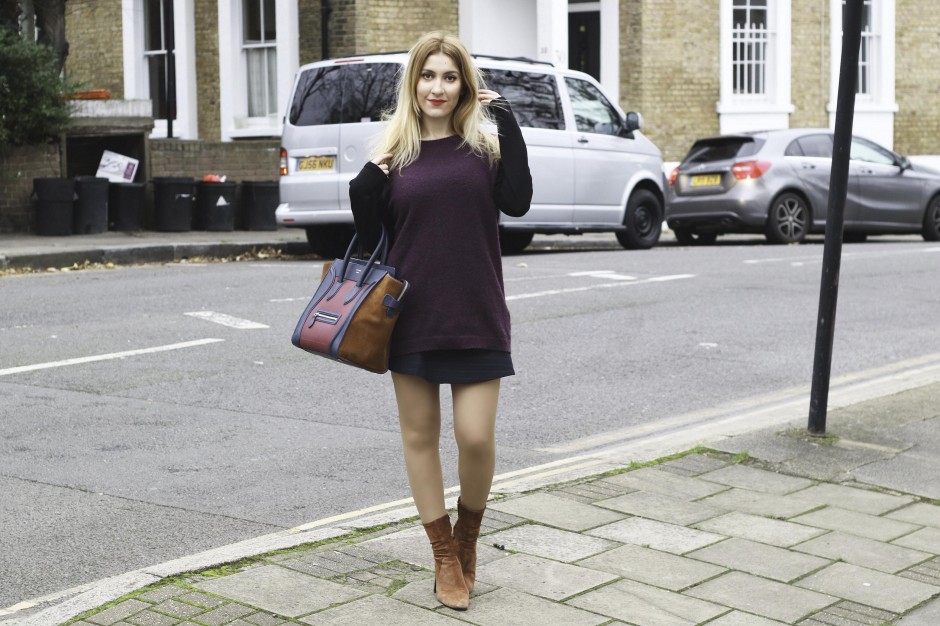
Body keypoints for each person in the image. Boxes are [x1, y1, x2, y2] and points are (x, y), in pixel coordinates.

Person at [349, 31, 532, 610]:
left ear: (464, 86)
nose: (437, 87)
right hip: (410, 316)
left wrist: (507, 120)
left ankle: (468, 535)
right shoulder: (394, 156)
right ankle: (444, 555)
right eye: (428, 76)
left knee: (475, 436)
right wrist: (365, 185)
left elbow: (519, 201)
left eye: (449, 77)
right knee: (419, 436)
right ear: (413, 83)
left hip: (477, 310)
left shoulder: (484, 150)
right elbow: (371, 239)